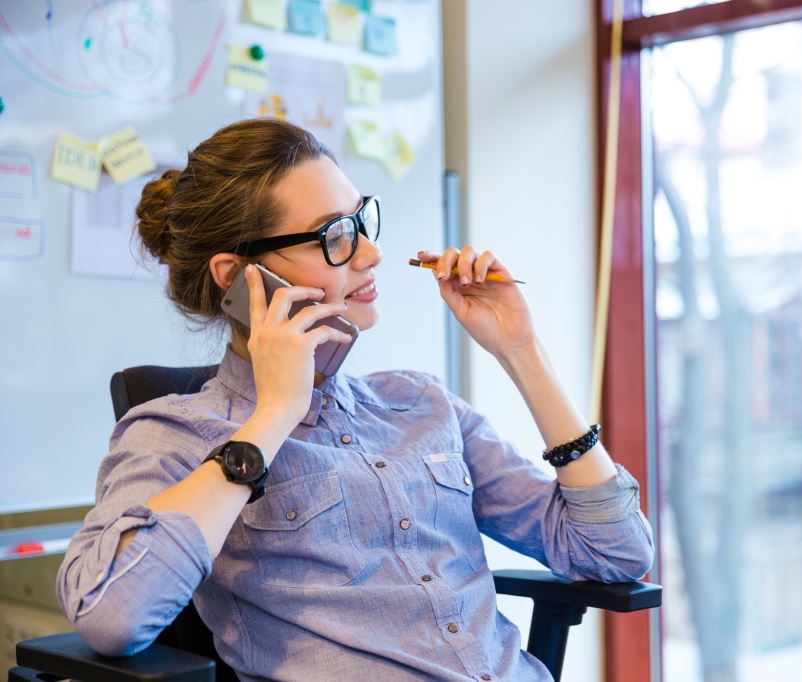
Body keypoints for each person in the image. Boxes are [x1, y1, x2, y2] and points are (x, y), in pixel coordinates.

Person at [56, 118, 654, 681]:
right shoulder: (173, 433)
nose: (371, 254)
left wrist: (521, 352)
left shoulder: (419, 404)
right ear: (237, 276)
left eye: (361, 221)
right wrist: (272, 418)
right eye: (334, 237)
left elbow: (618, 554)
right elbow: (114, 616)